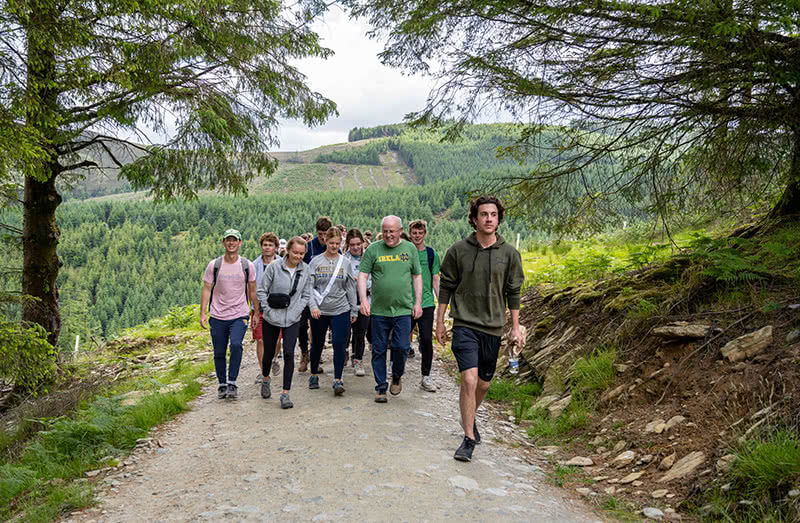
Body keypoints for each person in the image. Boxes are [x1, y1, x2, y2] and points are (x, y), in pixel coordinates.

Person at [435, 196, 525, 462]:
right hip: (464, 324)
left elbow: (514, 292)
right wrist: (440, 321)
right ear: (474, 219)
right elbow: (446, 287)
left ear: (499, 219)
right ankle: (468, 438)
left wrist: (516, 328)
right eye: (483, 214)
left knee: (484, 384)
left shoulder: (509, 254)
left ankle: (469, 415)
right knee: (469, 379)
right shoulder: (458, 250)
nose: (488, 219)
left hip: (494, 327)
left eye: (493, 215)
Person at [358, 216, 422, 403]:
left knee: (401, 347)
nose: (388, 235)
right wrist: (363, 300)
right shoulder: (373, 249)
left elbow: (417, 276)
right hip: (379, 310)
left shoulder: (409, 249)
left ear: (400, 230)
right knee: (378, 349)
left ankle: (396, 375)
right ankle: (380, 386)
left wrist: (418, 303)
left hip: (403, 309)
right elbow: (362, 275)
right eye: (385, 231)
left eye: (392, 231)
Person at [200, 229, 258, 400]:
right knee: (219, 351)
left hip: (239, 314)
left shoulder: (247, 265)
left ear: (240, 243)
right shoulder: (214, 265)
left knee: (236, 345)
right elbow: (206, 289)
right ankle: (222, 384)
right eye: (228, 240)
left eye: (235, 240)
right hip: (217, 315)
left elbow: (253, 291)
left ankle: (232, 382)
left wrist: (255, 312)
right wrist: (203, 313)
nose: (231, 243)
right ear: (223, 243)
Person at [256, 236, 312, 409]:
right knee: (269, 354)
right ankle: (266, 378)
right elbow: (261, 290)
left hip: (293, 318)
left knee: (289, 353)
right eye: (295, 252)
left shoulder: (306, 270)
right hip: (272, 318)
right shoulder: (274, 267)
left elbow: (306, 294)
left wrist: (297, 311)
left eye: (302, 253)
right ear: (288, 250)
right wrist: (267, 310)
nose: (298, 256)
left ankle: (285, 393)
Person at [308, 228, 358, 395]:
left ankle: (338, 378)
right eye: (331, 243)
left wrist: (354, 309)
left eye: (337, 244)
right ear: (326, 242)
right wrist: (313, 306)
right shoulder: (315, 261)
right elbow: (309, 287)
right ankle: (314, 372)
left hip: (340, 308)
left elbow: (350, 287)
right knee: (317, 343)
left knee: (339, 343)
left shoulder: (345, 263)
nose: (334, 246)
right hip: (320, 310)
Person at [408, 219, 440, 392]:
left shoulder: (431, 254)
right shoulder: (404, 252)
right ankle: (394, 368)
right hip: (406, 303)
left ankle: (426, 377)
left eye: (420, 233)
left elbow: (435, 279)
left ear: (425, 234)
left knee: (427, 340)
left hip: (426, 303)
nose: (417, 236)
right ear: (410, 233)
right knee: (399, 340)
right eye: (414, 233)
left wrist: (442, 302)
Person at [298, 216, 333, 372]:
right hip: (305, 291)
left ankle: (315, 357)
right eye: (320, 234)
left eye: (326, 234)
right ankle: (304, 353)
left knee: (318, 327)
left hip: (323, 294)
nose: (324, 238)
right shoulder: (309, 247)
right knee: (301, 325)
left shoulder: (334, 248)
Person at [252, 232, 281, 385]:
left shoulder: (283, 263)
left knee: (276, 339)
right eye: (265, 245)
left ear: (276, 247)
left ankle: (274, 358)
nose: (267, 248)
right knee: (261, 340)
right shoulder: (254, 265)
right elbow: (252, 288)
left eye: (270, 245)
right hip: (260, 307)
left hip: (278, 307)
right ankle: (264, 371)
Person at [344, 228, 370, 377]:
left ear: (363, 243)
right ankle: (345, 353)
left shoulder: (368, 258)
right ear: (348, 244)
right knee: (346, 332)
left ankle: (358, 359)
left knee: (360, 332)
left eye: (358, 244)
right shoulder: (344, 259)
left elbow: (373, 278)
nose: (355, 247)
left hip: (365, 298)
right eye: (352, 244)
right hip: (347, 300)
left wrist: (362, 283)